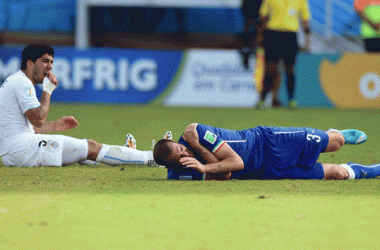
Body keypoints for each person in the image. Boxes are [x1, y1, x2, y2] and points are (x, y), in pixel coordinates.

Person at [0, 44, 156, 168]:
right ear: (30, 63)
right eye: (45, 61)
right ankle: (150, 157)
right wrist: (48, 90)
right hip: (22, 151)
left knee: (81, 155)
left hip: (15, 151)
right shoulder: (22, 83)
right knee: (90, 147)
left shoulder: (16, 80)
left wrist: (55, 125)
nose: (50, 66)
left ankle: (129, 155)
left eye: (52, 62)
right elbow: (39, 120)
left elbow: (23, 127)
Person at [152, 123, 379, 181]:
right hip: (267, 171)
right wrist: (202, 166)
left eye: (182, 149)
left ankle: (335, 133)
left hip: (268, 141)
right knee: (336, 173)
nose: (186, 154)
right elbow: (226, 174)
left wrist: (200, 153)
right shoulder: (180, 172)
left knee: (335, 143)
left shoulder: (198, 133)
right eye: (180, 158)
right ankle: (374, 170)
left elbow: (236, 162)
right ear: (173, 165)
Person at [255, 0, 311, 108]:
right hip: (273, 34)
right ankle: (262, 100)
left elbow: (305, 20)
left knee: (290, 70)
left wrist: (308, 39)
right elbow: (262, 16)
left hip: (290, 36)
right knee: (269, 70)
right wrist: (260, 34)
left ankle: (291, 100)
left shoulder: (300, 1)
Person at [239, 0, 263, 70]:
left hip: (258, 5)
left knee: (258, 27)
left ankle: (253, 49)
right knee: (249, 25)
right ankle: (246, 50)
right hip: (249, 5)